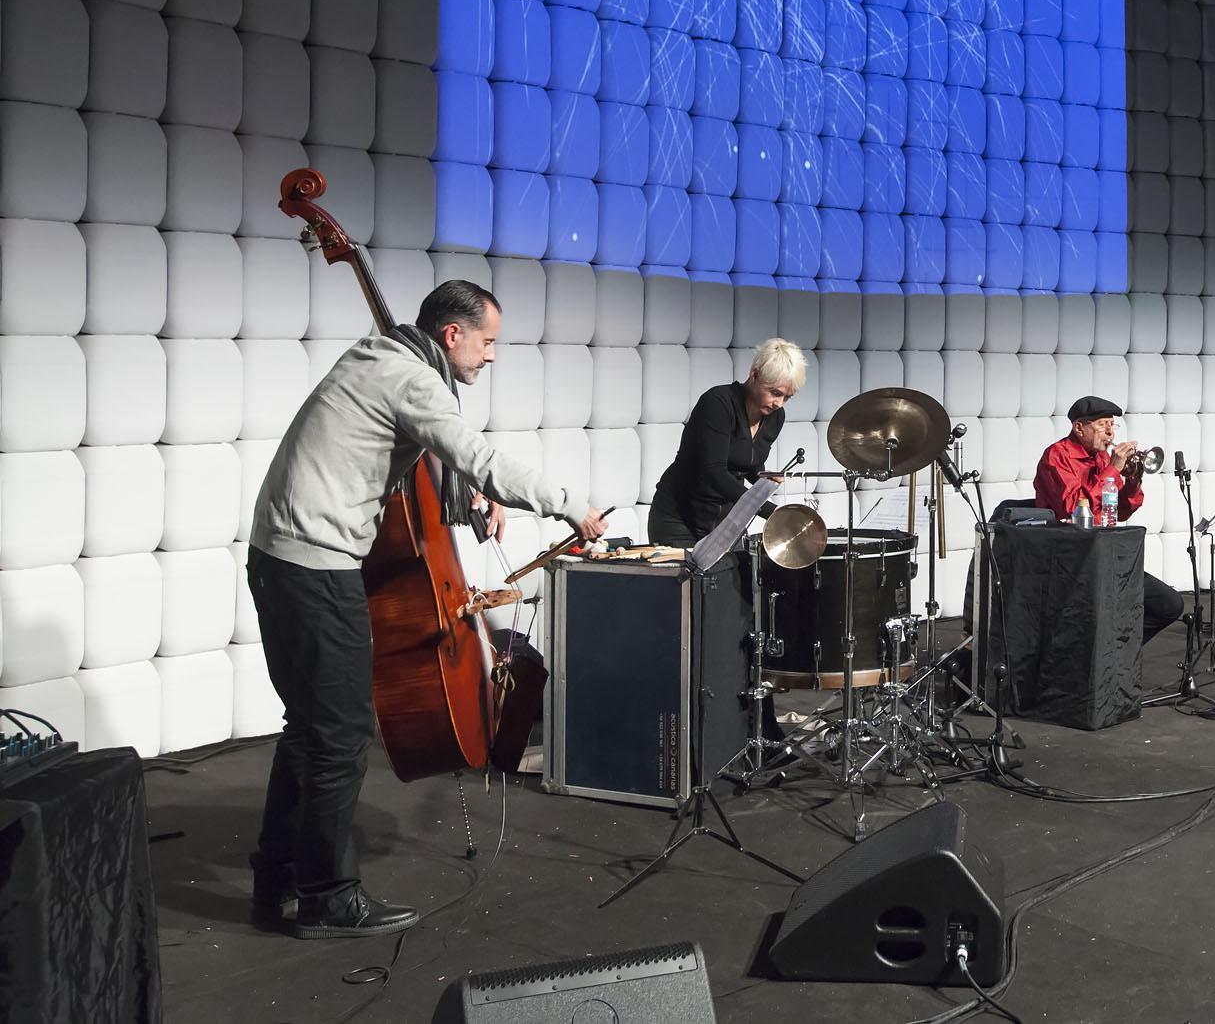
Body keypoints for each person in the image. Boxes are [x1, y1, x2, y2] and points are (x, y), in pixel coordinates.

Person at [246, 280, 608, 938]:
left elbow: (420, 455)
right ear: (452, 334)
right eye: (488, 340)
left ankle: (276, 882)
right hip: (314, 567)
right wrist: (568, 504)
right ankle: (327, 896)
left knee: (310, 728)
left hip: (283, 561)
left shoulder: (380, 358)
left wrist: (465, 493)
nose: (492, 354)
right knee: (340, 732)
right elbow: (479, 456)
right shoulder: (413, 380)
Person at [1032, 396, 1185, 641]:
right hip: (1071, 562)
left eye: (1112, 425)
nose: (1110, 433)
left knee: (1170, 604)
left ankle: (1118, 652)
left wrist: (1133, 480)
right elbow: (1075, 508)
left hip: (1105, 554)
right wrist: (1112, 469)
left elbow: (1121, 511)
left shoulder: (1102, 458)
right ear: (1079, 427)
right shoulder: (1056, 457)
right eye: (1103, 425)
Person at [647, 338, 807, 546]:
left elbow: (746, 463)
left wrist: (762, 476)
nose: (779, 403)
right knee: (691, 578)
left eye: (787, 397)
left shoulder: (775, 417)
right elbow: (713, 471)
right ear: (755, 375)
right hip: (679, 517)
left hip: (724, 520)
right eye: (775, 393)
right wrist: (770, 511)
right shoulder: (718, 403)